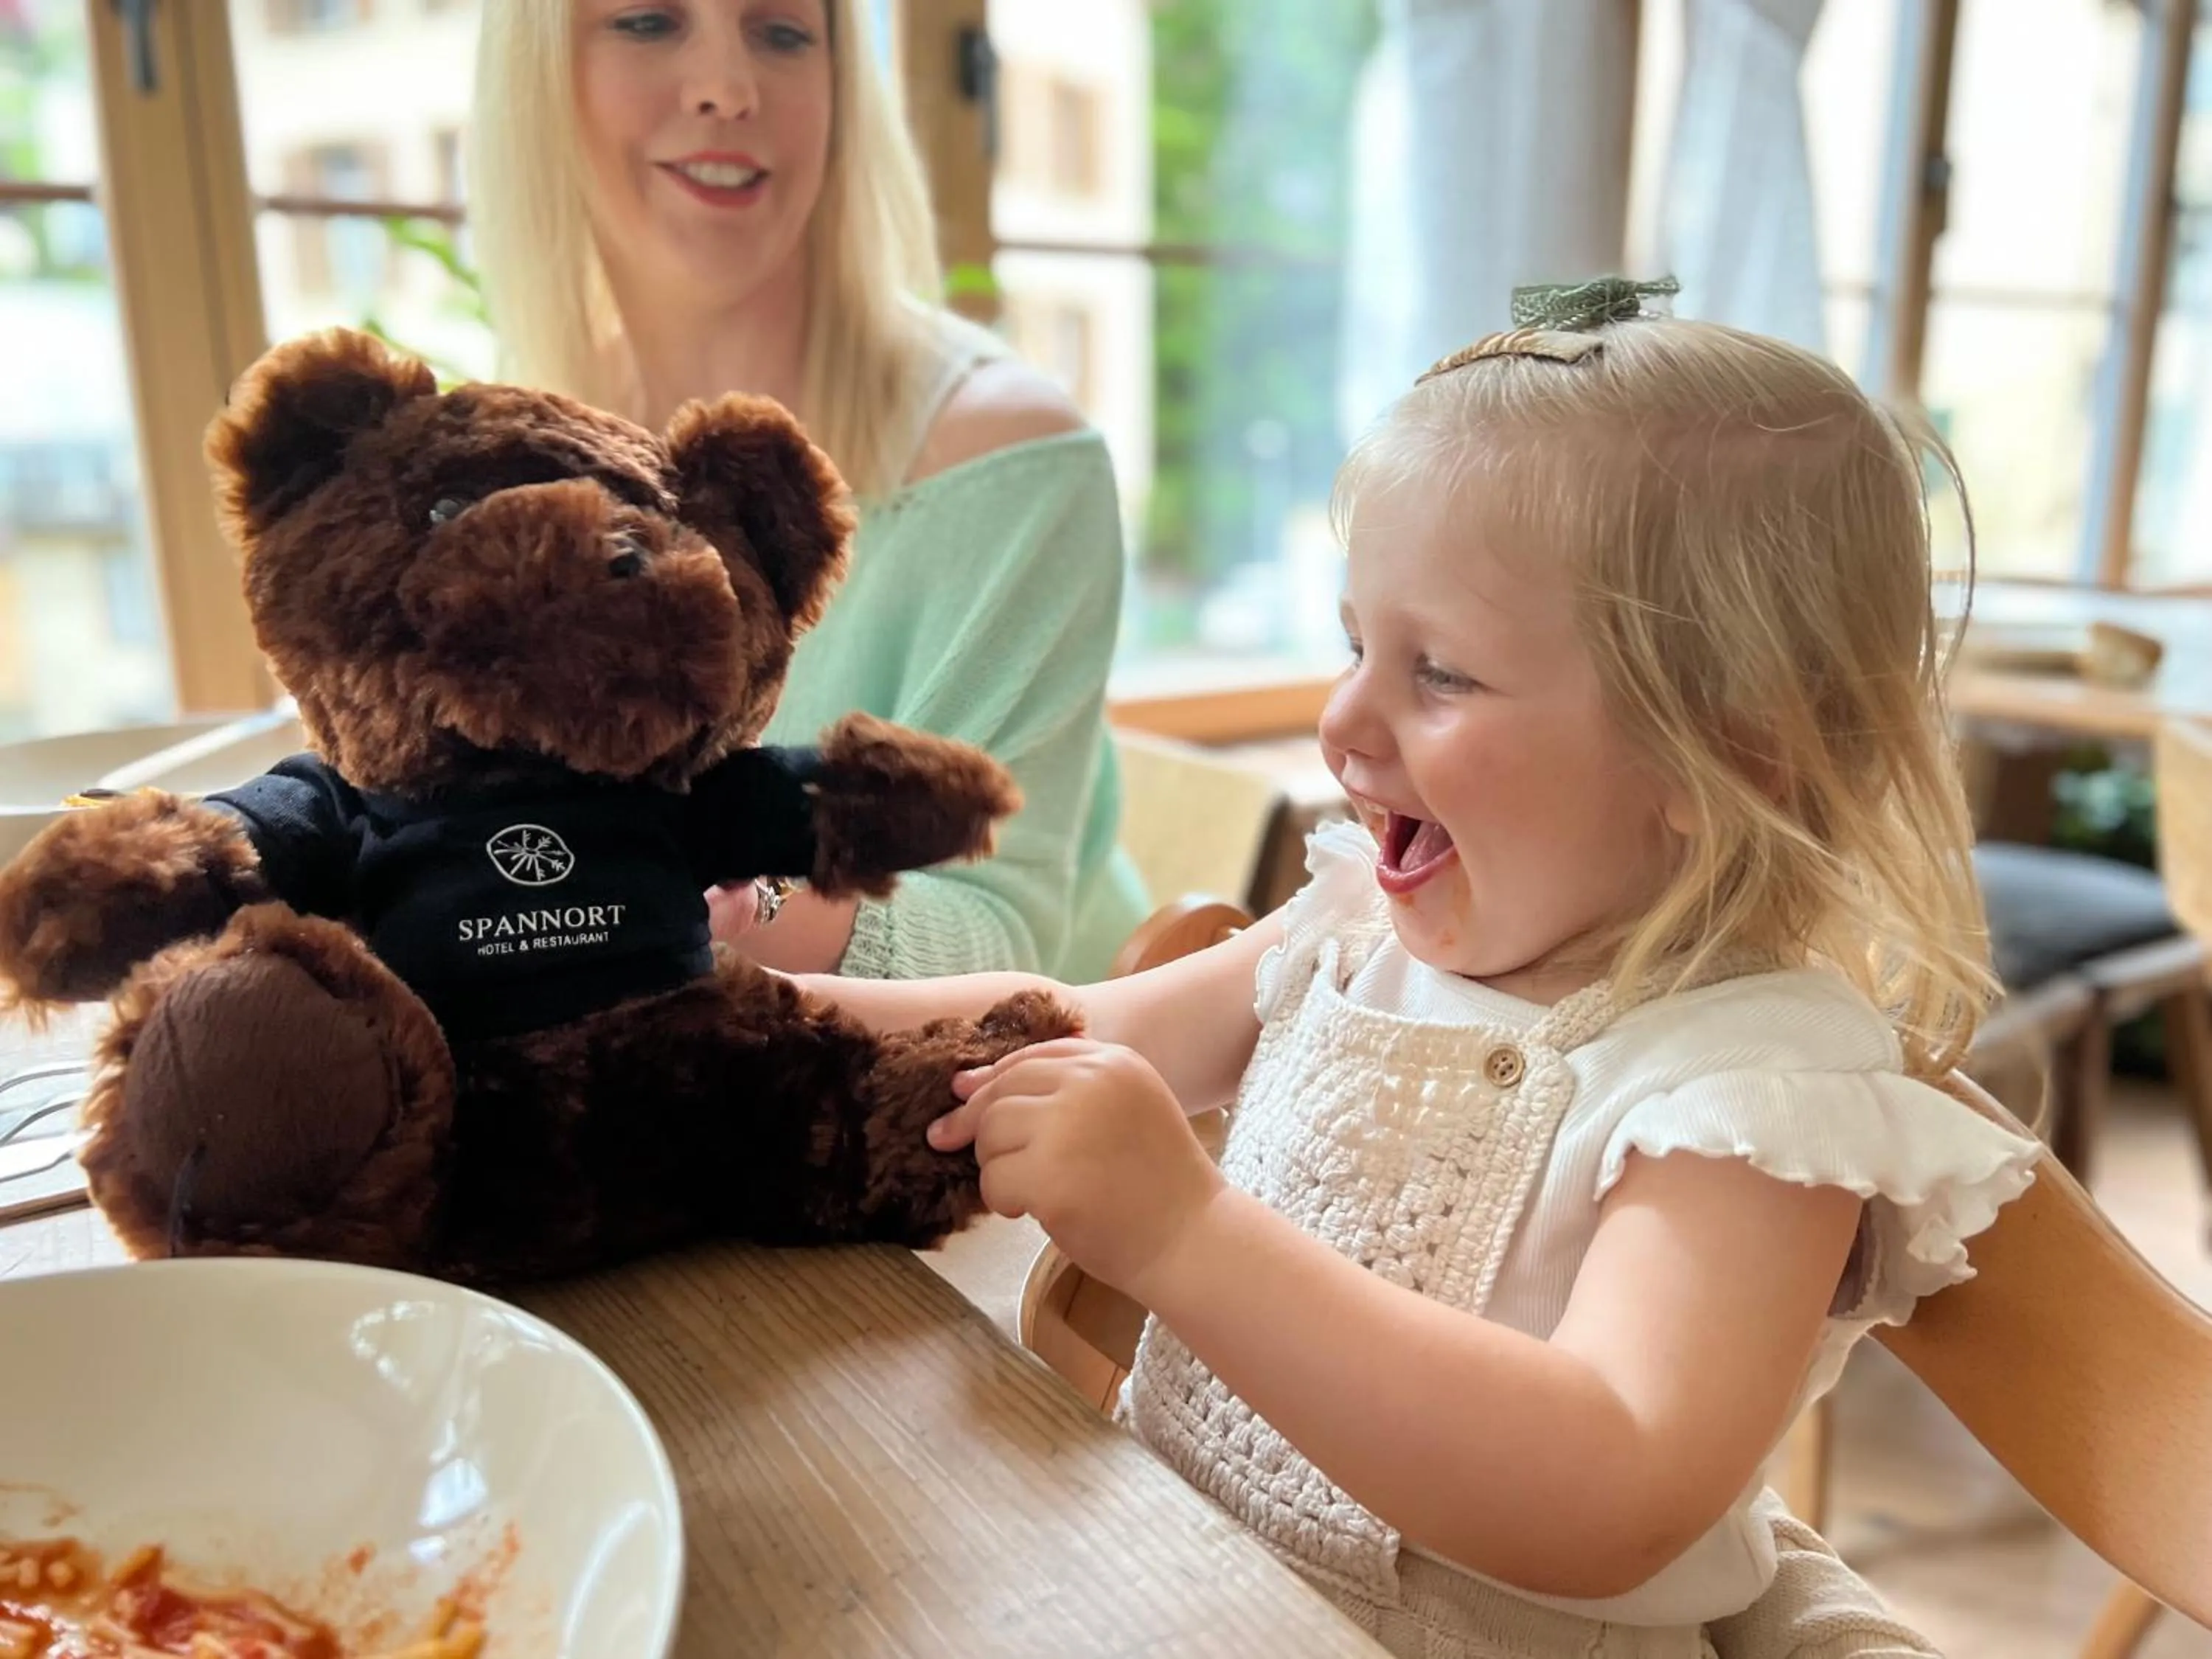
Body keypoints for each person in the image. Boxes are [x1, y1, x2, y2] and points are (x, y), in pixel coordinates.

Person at [791, 279, 2038, 1655]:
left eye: (1439, 672)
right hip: (1169, 1593)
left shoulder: (1753, 1097)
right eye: (1355, 645)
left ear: (1729, 755)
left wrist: (1184, 1235)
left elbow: (1616, 1486)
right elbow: (1071, 1023)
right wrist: (747, 1002)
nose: (1342, 721)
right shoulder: (1352, 931)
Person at [466, 0, 1150, 980]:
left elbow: (999, 938)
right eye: (649, 21)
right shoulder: (510, 467)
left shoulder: (1013, 459)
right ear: (535, 72)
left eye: (783, 32)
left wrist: (727, 903)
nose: (727, 88)